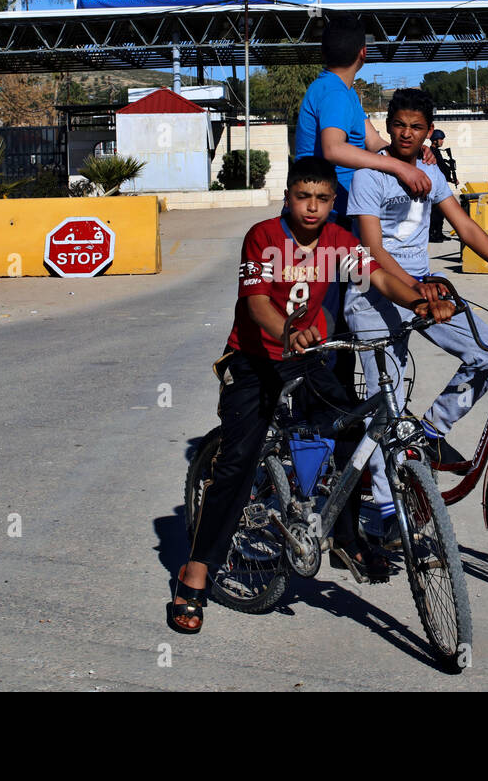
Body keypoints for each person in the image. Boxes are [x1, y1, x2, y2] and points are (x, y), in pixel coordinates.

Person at [169, 158, 453, 634]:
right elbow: (255, 301)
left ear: (332, 202)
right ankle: (195, 572)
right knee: (238, 463)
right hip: (256, 357)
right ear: (288, 197)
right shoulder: (263, 236)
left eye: (322, 199)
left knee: (351, 429)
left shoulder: (340, 240)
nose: (312, 207)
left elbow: (377, 276)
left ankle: (344, 539)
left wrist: (419, 300)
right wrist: (287, 331)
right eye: (304, 197)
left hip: (309, 352)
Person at [346, 90, 488, 543]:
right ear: (389, 123)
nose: (405, 134)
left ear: (429, 131)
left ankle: (431, 430)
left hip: (424, 284)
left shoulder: (431, 173)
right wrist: (416, 291)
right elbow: (373, 251)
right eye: (398, 124)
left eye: (416, 127)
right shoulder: (369, 176)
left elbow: (467, 226)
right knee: (388, 405)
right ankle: (383, 512)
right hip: (374, 290)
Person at [294, 14, 431, 219]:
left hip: (338, 209)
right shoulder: (335, 93)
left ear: (323, 52)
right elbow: (334, 149)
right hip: (326, 217)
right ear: (363, 53)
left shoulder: (344, 92)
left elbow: (374, 141)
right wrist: (399, 167)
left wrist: (412, 154)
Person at [427, 129, 458, 242]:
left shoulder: (438, 152)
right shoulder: (431, 152)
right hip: (435, 187)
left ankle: (439, 233)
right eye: (441, 139)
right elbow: (436, 169)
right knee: (435, 213)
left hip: (441, 184)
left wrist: (451, 179)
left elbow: (443, 169)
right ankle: (433, 234)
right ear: (435, 140)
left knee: (440, 213)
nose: (442, 141)